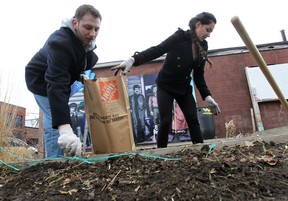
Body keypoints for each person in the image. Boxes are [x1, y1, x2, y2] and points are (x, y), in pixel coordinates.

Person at [111, 12, 221, 148]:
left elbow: (198, 75)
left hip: (184, 88)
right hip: (165, 86)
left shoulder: (203, 46)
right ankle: (160, 152)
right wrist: (134, 59)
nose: (209, 34)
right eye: (208, 30)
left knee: (193, 118)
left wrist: (207, 96)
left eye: (211, 32)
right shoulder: (179, 37)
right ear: (198, 24)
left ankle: (200, 151)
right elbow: (158, 49)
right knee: (165, 121)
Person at [25, 4, 102, 157]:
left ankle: (58, 159)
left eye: (96, 29)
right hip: (41, 81)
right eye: (88, 27)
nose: (93, 34)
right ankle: (55, 164)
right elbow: (56, 84)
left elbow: (77, 65)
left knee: (59, 117)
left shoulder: (85, 47)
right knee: (56, 121)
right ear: (75, 23)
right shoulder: (60, 43)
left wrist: (81, 75)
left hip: (63, 82)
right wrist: (65, 129)